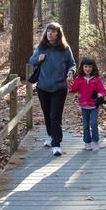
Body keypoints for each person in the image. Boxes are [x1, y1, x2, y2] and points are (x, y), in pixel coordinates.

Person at [29, 22, 76, 156]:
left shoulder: (65, 49)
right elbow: (32, 61)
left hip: (59, 87)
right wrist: (38, 59)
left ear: (58, 34)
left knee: (55, 115)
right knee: (47, 114)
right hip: (43, 87)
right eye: (48, 31)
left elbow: (72, 64)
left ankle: (56, 144)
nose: (50, 33)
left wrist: (71, 72)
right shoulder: (41, 47)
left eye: (53, 31)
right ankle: (51, 136)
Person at [70, 57, 106, 151]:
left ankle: (95, 141)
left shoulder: (96, 79)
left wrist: (100, 94)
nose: (87, 69)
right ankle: (87, 142)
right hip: (84, 105)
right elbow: (73, 89)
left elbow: (102, 90)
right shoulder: (79, 79)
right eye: (85, 67)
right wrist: (70, 82)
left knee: (93, 123)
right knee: (85, 125)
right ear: (82, 67)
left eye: (90, 67)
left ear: (93, 68)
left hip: (94, 105)